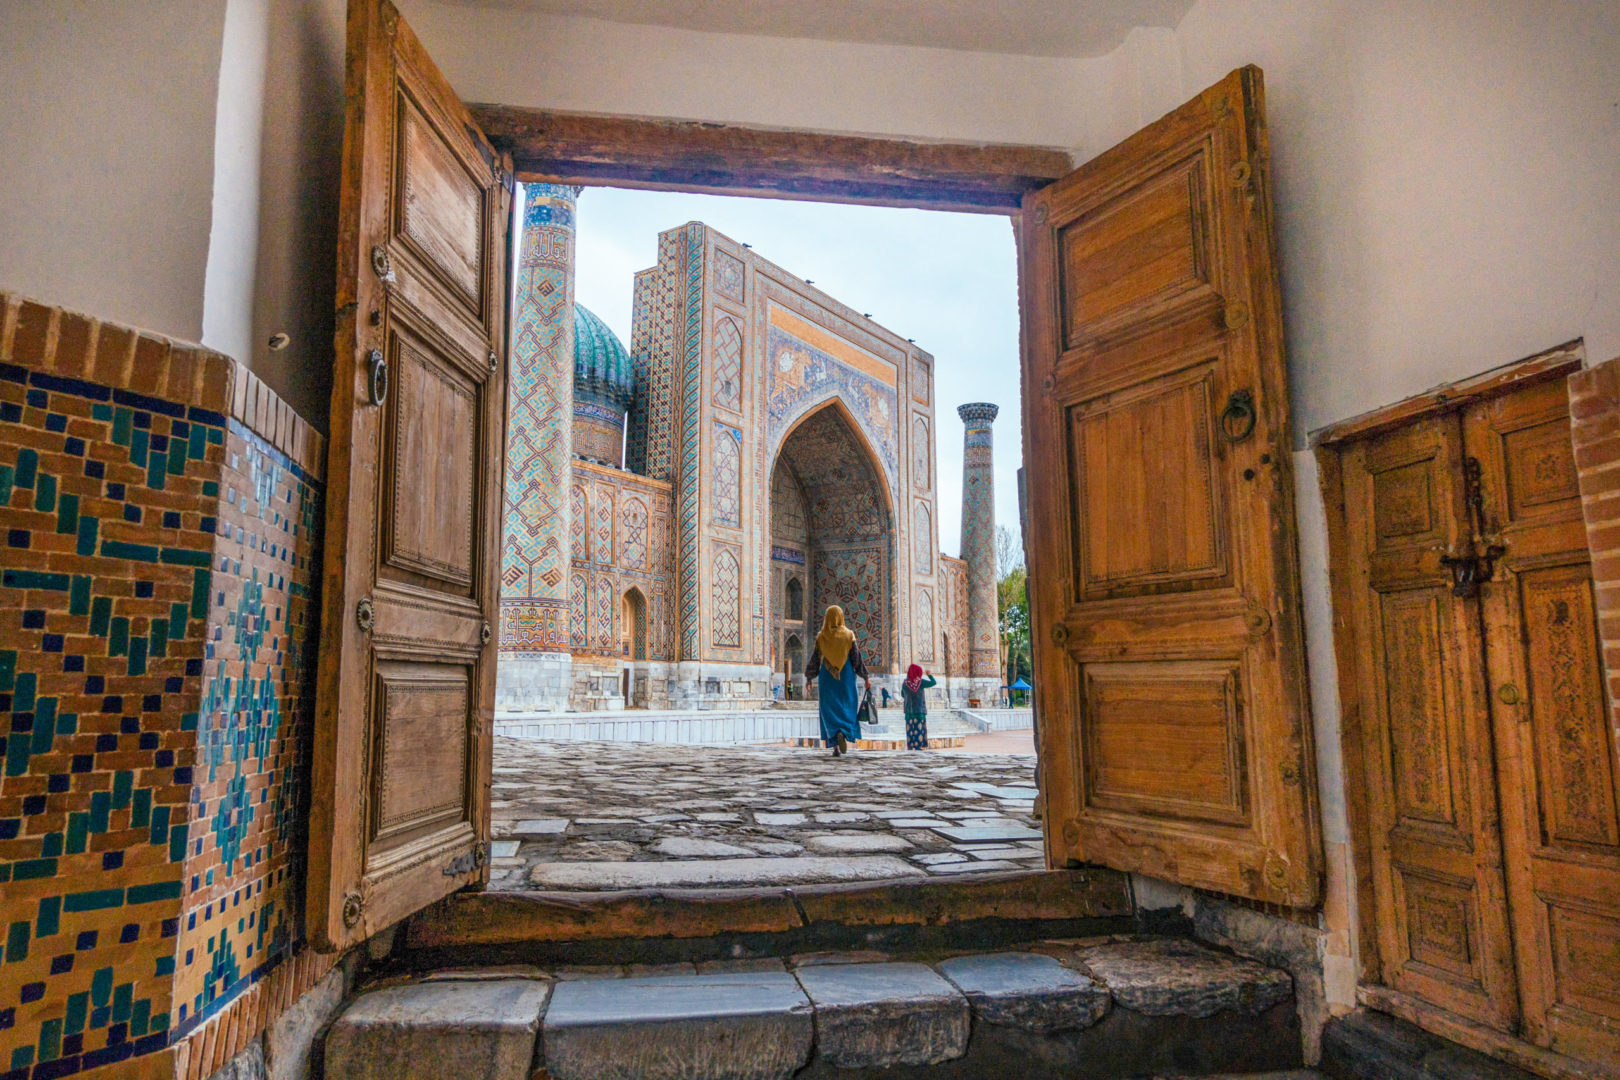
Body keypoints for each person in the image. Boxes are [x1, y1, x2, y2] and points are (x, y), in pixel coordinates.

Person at [804, 605, 871, 757]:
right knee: (847, 706)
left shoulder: (822, 636)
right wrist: (866, 677)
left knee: (829, 709)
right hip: (845, 676)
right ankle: (844, 734)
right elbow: (856, 658)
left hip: (827, 677)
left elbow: (815, 659)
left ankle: (834, 745)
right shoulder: (848, 635)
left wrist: (809, 678)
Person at [901, 663, 938, 750]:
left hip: (909, 711)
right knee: (919, 729)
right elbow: (933, 682)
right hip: (919, 710)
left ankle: (911, 746)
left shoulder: (905, 683)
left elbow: (903, 695)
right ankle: (919, 746)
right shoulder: (921, 682)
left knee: (910, 730)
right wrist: (929, 675)